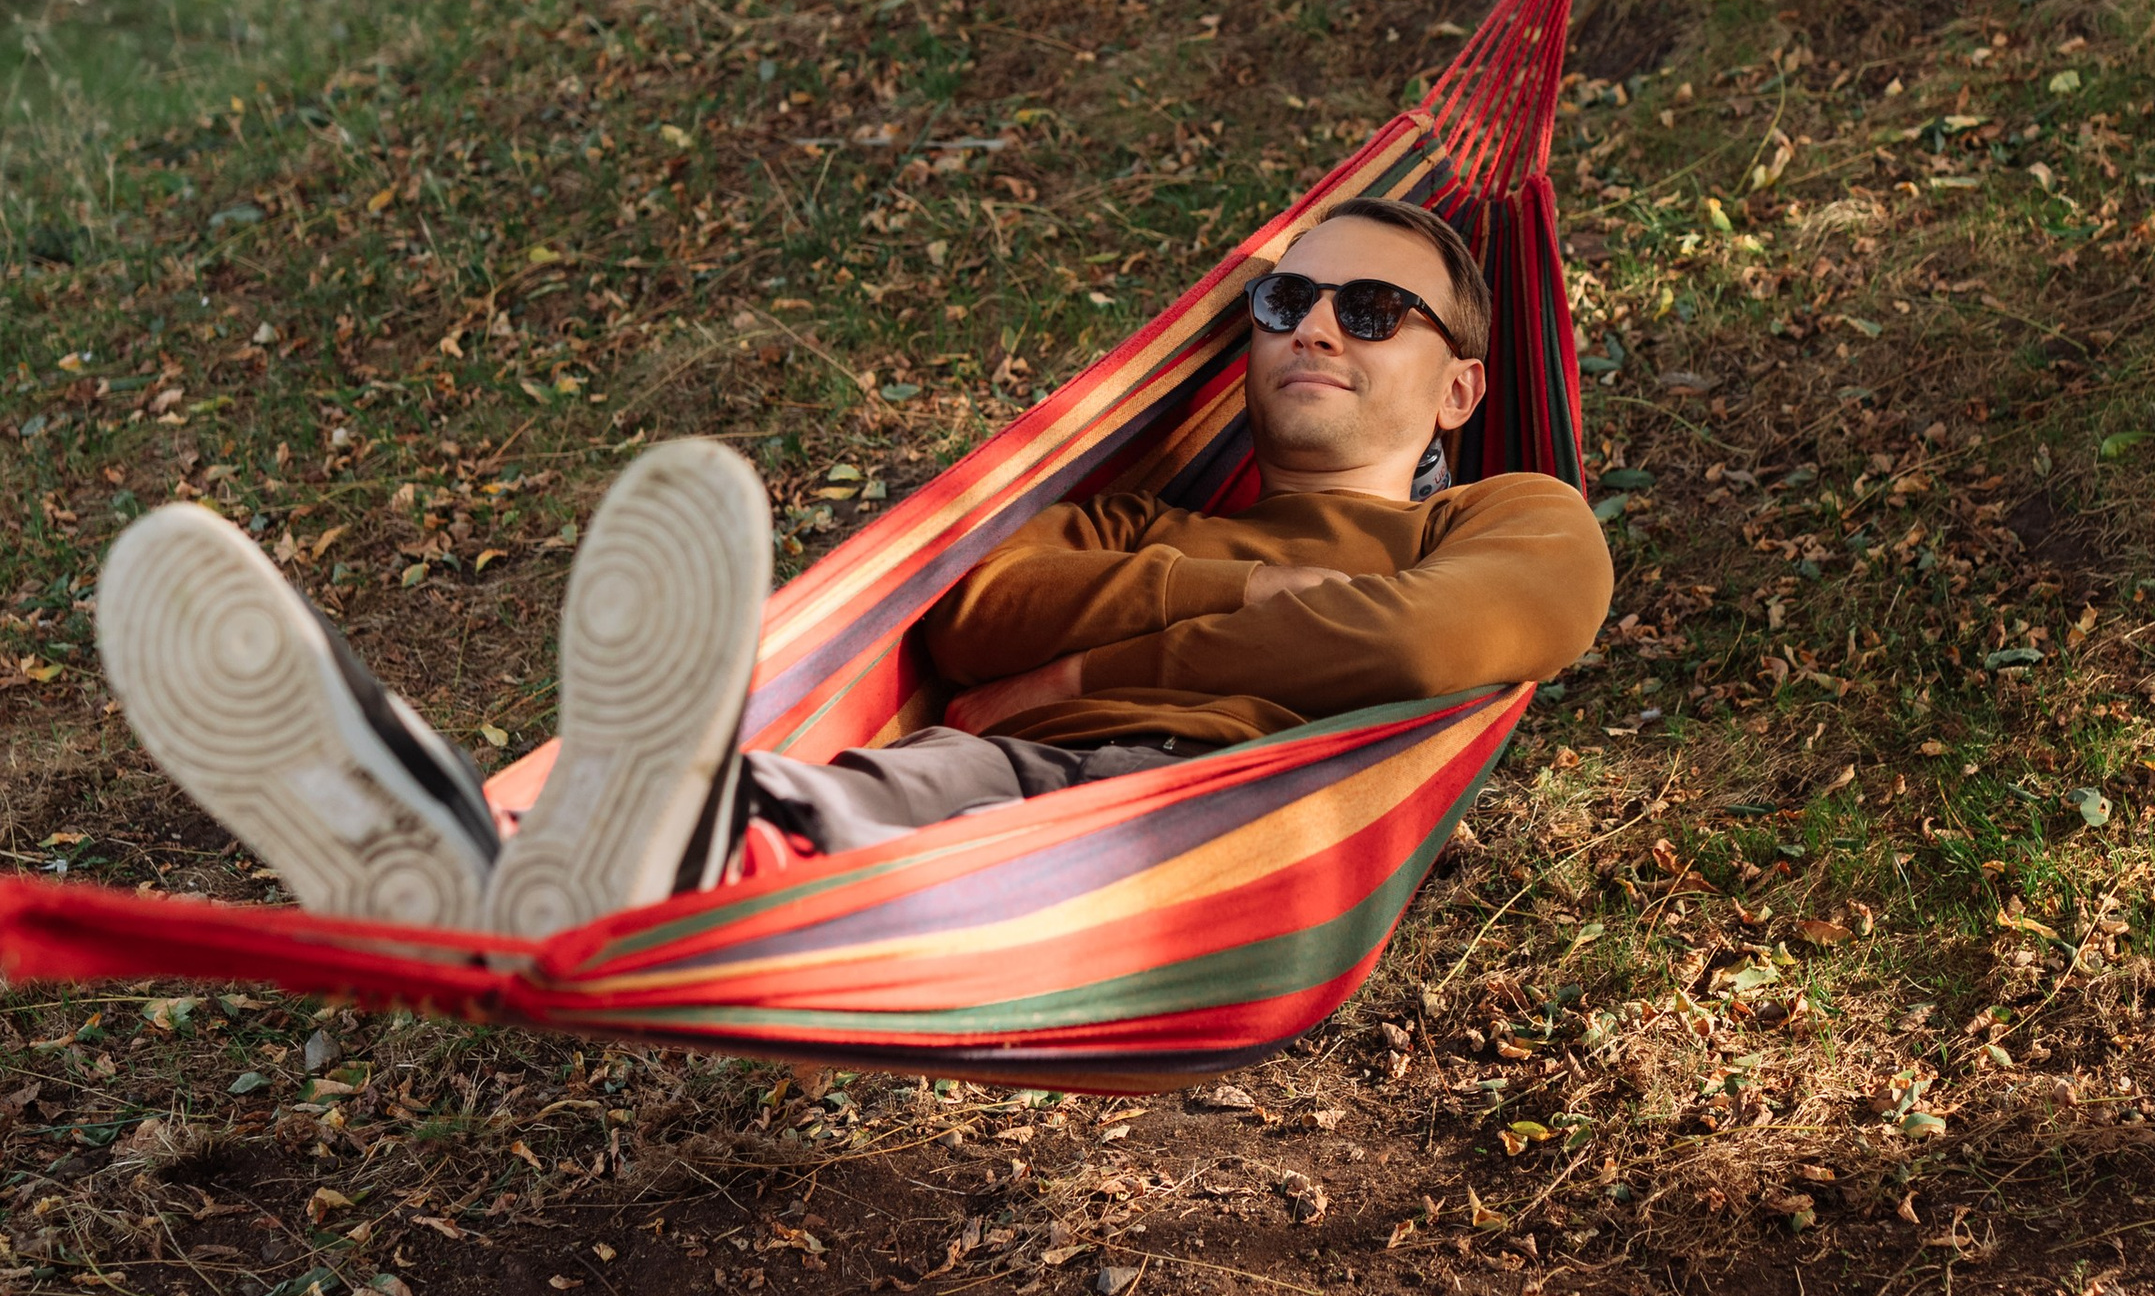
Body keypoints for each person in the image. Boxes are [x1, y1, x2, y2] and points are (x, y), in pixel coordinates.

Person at [94, 201, 1613, 939]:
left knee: (945, 810)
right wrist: (1226, 616)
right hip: (1005, 776)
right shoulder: (1135, 514)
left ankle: (549, 847)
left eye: (1370, 309)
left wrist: (1097, 667)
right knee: (888, 799)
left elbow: (1440, 641)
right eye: (1290, 297)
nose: (1317, 330)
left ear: (1465, 391)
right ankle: (463, 840)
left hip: (1190, 818)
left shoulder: (1499, 517)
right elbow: (974, 609)